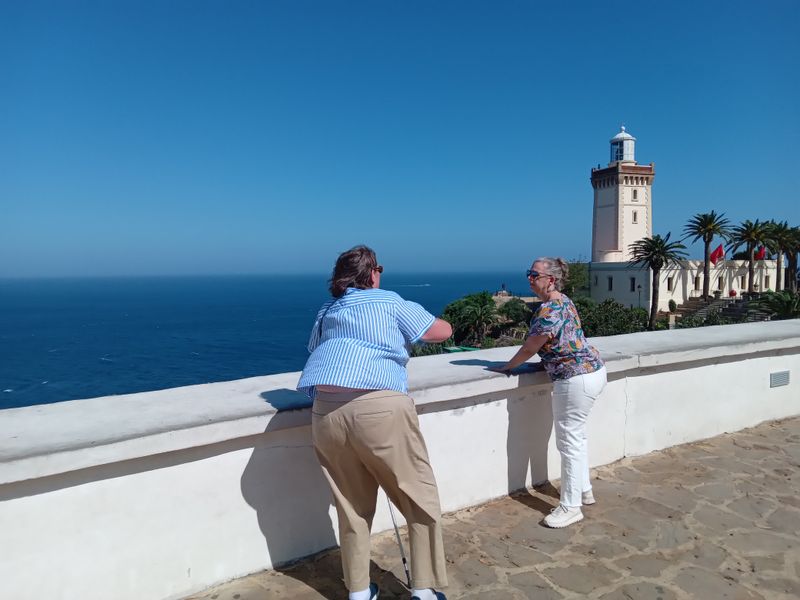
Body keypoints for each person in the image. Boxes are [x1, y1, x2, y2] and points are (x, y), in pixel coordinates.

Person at [297, 245, 452, 600]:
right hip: (379, 407)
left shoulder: (328, 309)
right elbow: (439, 332)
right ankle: (424, 590)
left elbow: (314, 348)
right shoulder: (389, 300)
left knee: (350, 505)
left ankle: (358, 591)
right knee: (418, 498)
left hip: (326, 411)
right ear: (374, 273)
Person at [492, 257, 606, 528]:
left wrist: (507, 367)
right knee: (577, 439)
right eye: (528, 273)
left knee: (568, 442)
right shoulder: (564, 300)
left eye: (534, 274)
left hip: (575, 378)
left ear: (550, 280)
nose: (529, 279)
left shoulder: (550, 309)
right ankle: (584, 491)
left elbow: (531, 346)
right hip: (591, 372)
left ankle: (570, 507)